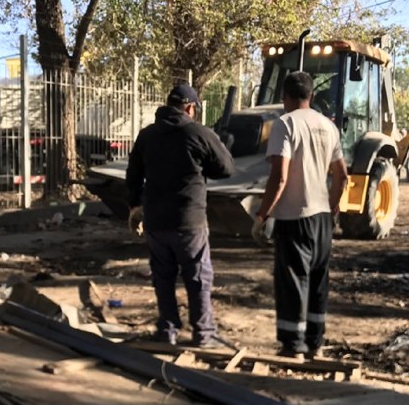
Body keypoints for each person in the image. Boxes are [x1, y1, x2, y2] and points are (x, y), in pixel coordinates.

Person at [126, 83, 235, 348]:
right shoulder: (198, 133)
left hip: (155, 220)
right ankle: (203, 334)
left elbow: (133, 174)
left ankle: (168, 330)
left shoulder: (147, 135)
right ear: (189, 107)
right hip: (189, 221)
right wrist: (220, 146)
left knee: (163, 277)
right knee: (197, 277)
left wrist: (134, 207)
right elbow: (226, 168)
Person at [252, 71, 348, 360]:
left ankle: (293, 346)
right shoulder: (328, 127)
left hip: (295, 217)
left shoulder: (285, 124)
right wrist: (331, 209)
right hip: (322, 218)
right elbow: (342, 176)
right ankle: (314, 343)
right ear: (312, 96)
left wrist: (262, 216)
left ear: (285, 97)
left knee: (293, 281)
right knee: (318, 280)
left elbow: (279, 178)